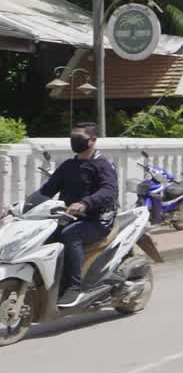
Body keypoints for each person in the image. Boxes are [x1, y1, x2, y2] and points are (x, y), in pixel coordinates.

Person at [26, 123, 118, 305]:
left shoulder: (102, 165)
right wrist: (23, 206)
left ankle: (74, 287)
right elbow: (47, 190)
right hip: (69, 217)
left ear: (93, 140)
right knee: (42, 236)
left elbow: (109, 190)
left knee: (70, 235)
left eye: (79, 139)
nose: (75, 142)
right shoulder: (69, 165)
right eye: (73, 138)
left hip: (98, 219)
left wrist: (85, 203)